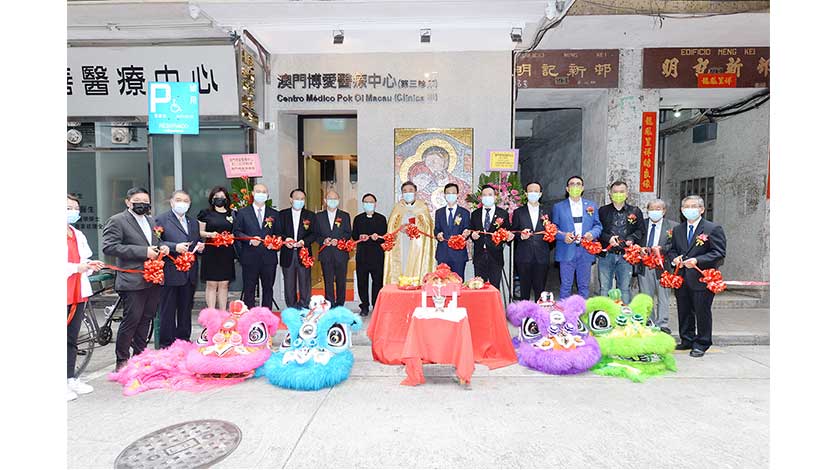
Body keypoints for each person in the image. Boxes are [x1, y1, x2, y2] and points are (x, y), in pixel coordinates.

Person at [102, 187, 169, 372]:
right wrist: (143, 252)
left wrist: (162, 247)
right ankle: (122, 360)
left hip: (152, 277)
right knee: (132, 319)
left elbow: (155, 243)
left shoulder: (151, 220)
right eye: (137, 201)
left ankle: (140, 356)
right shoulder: (117, 220)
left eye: (145, 201)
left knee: (146, 318)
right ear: (128, 202)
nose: (142, 204)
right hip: (131, 279)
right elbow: (109, 247)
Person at [666, 195, 726, 358]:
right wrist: (674, 259)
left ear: (701, 209)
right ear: (682, 210)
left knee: (702, 311)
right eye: (686, 207)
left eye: (693, 206)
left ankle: (702, 343)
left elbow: (718, 252)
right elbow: (672, 249)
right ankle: (687, 339)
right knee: (684, 310)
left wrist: (697, 260)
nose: (689, 209)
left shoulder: (712, 228)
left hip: (701, 277)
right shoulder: (678, 229)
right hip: (682, 277)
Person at [67, 194, 104, 401]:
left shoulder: (77, 233)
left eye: (75, 208)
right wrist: (76, 267)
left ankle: (70, 378)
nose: (72, 211)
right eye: (68, 207)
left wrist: (89, 265)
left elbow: (84, 259)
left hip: (77, 292)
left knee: (72, 339)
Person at [155, 190, 205, 348]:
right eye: (178, 200)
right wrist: (174, 247)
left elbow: (195, 241)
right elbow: (156, 243)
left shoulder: (193, 222)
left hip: (189, 272)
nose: (182, 203)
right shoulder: (161, 219)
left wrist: (200, 247)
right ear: (171, 202)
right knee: (168, 310)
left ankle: (183, 341)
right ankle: (167, 344)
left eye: (185, 201)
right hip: (171, 271)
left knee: (185, 309)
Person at [551, 176, 602, 299]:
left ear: (583, 188)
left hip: (585, 250)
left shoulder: (591, 205)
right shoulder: (558, 207)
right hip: (566, 250)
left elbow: (598, 225)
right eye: (572, 184)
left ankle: (582, 309)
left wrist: (592, 234)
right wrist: (563, 236)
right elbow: (553, 228)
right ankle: (564, 309)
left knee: (584, 286)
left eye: (578, 184)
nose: (575, 186)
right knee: (566, 286)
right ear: (567, 188)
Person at [232, 183, 281, 309]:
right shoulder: (243, 212)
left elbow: (279, 234)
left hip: (269, 257)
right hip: (250, 256)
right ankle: (250, 315)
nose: (261, 194)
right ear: (253, 194)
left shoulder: (274, 214)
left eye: (264, 192)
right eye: (258, 191)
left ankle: (266, 314)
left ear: (267, 195)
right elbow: (237, 232)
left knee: (268, 288)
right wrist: (249, 240)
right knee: (249, 288)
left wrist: (274, 243)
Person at [597, 181, 644, 304]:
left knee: (624, 289)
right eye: (615, 192)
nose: (618, 194)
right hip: (607, 255)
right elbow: (598, 230)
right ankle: (604, 313)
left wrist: (632, 238)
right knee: (604, 288)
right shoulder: (603, 211)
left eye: (621, 192)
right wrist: (608, 239)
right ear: (610, 194)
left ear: (627, 193)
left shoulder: (635, 211)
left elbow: (640, 230)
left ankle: (624, 314)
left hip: (626, 256)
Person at [638, 199, 678, 334]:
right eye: (652, 209)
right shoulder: (641, 224)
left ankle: (662, 323)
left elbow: (675, 245)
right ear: (647, 211)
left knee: (663, 296)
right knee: (646, 295)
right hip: (645, 265)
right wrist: (640, 249)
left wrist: (662, 249)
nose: (655, 211)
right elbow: (635, 239)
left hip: (663, 266)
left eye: (658, 209)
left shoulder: (673, 226)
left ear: (664, 211)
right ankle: (649, 322)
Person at [383, 181, 435, 285]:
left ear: (415, 192)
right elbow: (391, 226)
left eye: (410, 190)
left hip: (417, 243)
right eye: (405, 191)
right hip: (401, 242)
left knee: (415, 265)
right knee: (403, 264)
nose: (408, 193)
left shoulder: (422, 207)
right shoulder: (398, 207)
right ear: (402, 193)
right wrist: (400, 228)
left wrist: (414, 228)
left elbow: (428, 226)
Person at [197, 186, 236, 309]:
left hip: (226, 252)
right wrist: (210, 234)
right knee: (211, 284)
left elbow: (236, 231)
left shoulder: (232, 213)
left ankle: (223, 312)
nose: (220, 199)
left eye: (222, 197)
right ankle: (211, 313)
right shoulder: (205, 213)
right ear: (212, 198)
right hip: (211, 252)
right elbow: (199, 232)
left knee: (224, 284)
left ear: (227, 199)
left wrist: (232, 236)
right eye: (217, 197)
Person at [512, 182, 552, 301]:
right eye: (530, 191)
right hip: (524, 256)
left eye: (536, 191)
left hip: (542, 255)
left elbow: (553, 230)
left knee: (540, 290)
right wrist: (521, 236)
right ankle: (525, 311)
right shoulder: (518, 212)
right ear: (526, 194)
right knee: (524, 290)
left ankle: (539, 311)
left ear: (540, 194)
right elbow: (513, 231)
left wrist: (550, 235)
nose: (533, 194)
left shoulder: (547, 211)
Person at [469, 184, 514, 289]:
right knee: (479, 288)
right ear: (481, 197)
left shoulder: (503, 214)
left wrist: (509, 237)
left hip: (495, 256)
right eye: (484, 195)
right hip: (479, 257)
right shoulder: (475, 214)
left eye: (490, 195)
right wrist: (472, 235)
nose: (487, 197)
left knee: (494, 287)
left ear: (495, 197)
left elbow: (507, 232)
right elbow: (471, 230)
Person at [278, 188, 317, 309]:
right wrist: (285, 240)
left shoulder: (310, 215)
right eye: (297, 199)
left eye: (302, 199)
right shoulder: (282, 215)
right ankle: (292, 308)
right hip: (288, 253)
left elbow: (314, 234)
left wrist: (304, 242)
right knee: (289, 284)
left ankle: (304, 306)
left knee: (305, 282)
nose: (299, 201)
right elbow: (278, 232)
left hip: (304, 253)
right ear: (291, 200)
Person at [315, 190, 352, 306]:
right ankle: (329, 303)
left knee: (341, 281)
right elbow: (315, 234)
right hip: (326, 253)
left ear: (339, 200)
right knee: (328, 281)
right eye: (330, 199)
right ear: (325, 200)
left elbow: (348, 233)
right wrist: (323, 240)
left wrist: (340, 241)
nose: (333, 201)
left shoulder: (345, 216)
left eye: (335, 199)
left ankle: (340, 304)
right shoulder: (318, 216)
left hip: (340, 254)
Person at [352, 193, 388, 316]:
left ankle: (376, 305)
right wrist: (360, 236)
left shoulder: (381, 218)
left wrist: (377, 237)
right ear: (363, 204)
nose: (369, 204)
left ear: (375, 204)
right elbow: (354, 235)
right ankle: (364, 306)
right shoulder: (358, 219)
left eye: (371, 202)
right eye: (366, 202)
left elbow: (384, 237)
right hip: (362, 254)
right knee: (362, 281)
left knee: (377, 281)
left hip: (377, 255)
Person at [433, 183, 471, 280]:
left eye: (453, 193)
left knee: (458, 282)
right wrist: (438, 234)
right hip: (443, 253)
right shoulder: (439, 212)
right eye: (448, 193)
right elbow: (436, 229)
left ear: (457, 195)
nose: (451, 195)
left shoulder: (464, 212)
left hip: (458, 254)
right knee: (442, 282)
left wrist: (466, 233)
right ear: (444, 195)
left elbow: (467, 228)